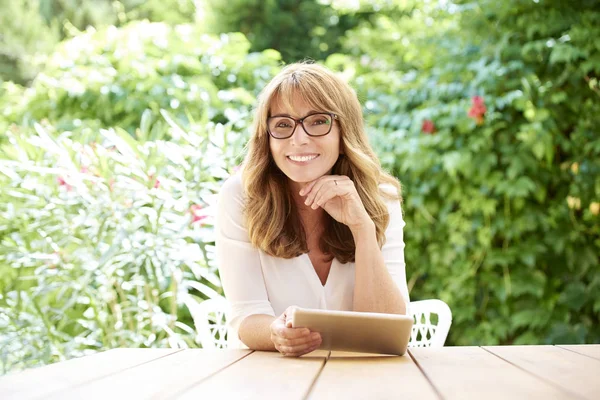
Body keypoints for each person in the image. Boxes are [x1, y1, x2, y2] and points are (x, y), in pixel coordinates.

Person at [215, 62, 410, 357]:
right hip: (271, 379)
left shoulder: (381, 199)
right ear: (267, 139)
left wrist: (363, 229)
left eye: (318, 121)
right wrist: (276, 334)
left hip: (360, 378)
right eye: (282, 124)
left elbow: (386, 331)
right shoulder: (241, 197)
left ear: (345, 134)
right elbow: (246, 314)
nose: (299, 139)